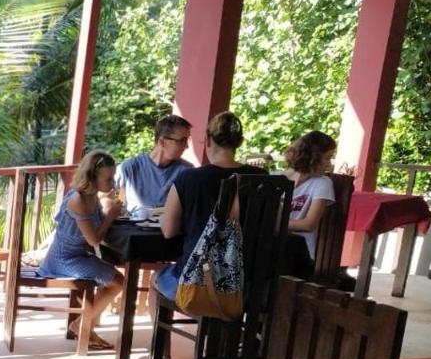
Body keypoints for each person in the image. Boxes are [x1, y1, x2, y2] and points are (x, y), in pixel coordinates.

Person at [155, 111, 268, 304]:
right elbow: (273, 226)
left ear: (207, 141)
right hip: (248, 283)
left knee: (157, 279)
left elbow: (168, 231)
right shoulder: (262, 178)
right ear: (239, 142)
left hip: (198, 282)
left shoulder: (188, 179)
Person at [35, 151, 126, 351]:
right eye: (108, 178)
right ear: (92, 177)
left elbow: (96, 227)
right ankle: (81, 325)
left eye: (113, 177)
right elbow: (93, 239)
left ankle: (85, 327)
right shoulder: (77, 199)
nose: (112, 182)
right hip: (63, 259)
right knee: (118, 282)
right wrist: (110, 216)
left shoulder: (92, 196)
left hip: (78, 255)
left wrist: (111, 211)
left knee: (115, 279)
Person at [102, 115, 193, 218]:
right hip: (133, 229)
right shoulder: (130, 167)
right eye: (182, 141)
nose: (187, 146)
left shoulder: (187, 171)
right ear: (162, 142)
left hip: (169, 231)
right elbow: (101, 194)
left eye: (187, 140)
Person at [283, 130, 338, 264]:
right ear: (313, 157)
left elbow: (309, 224)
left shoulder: (323, 182)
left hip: (300, 254)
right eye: (327, 158)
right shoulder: (276, 178)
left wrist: (273, 225)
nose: (329, 164)